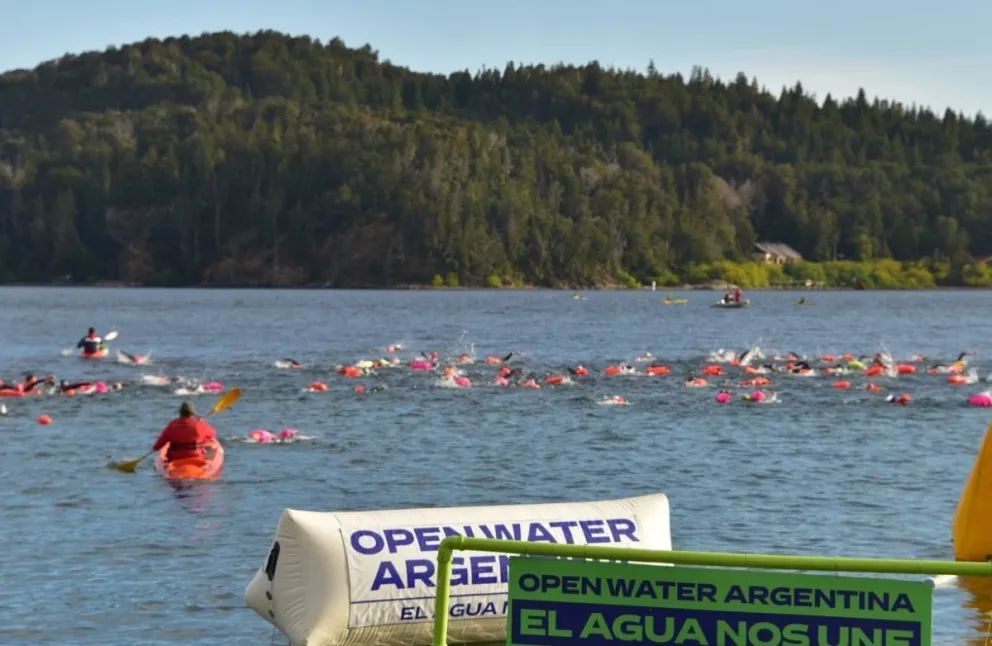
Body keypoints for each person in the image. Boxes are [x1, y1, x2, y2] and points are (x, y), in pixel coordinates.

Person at [152, 401, 218, 462]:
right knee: (210, 450)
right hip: (196, 458)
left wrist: (155, 448)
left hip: (176, 459)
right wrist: (203, 422)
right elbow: (213, 433)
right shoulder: (199, 424)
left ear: (180, 412)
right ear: (192, 413)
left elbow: (159, 444)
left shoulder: (172, 425)